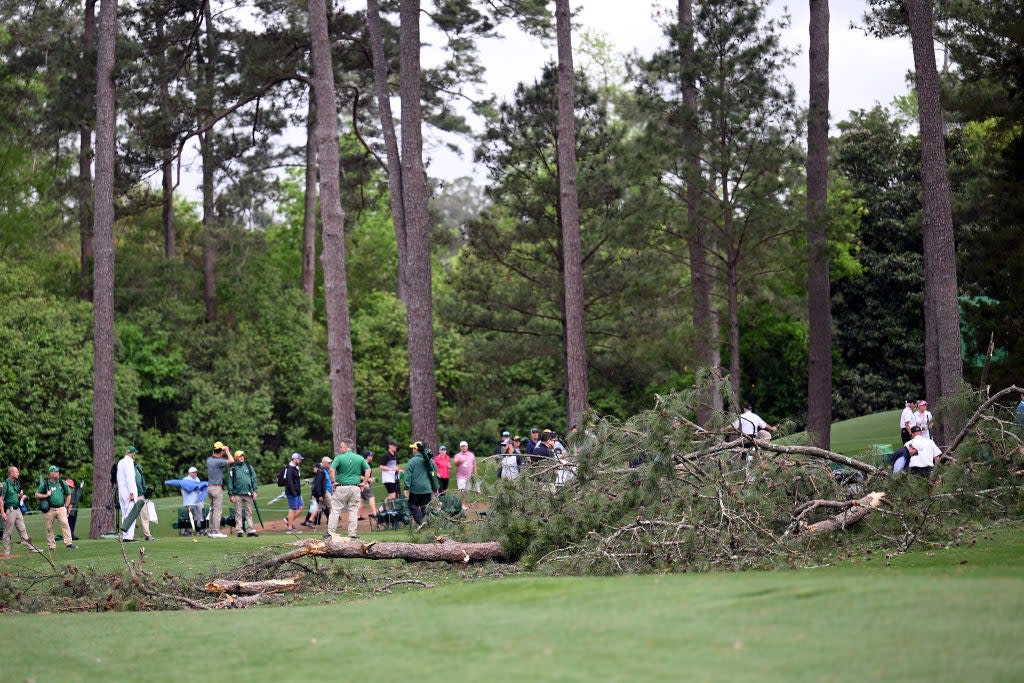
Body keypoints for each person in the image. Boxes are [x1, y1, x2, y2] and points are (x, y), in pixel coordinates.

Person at [328, 439, 370, 539]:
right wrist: (364, 483)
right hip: (355, 487)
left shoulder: (339, 458)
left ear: (346, 446)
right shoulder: (359, 458)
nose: (340, 448)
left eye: (341, 446)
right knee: (353, 511)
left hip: (342, 487)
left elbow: (331, 469)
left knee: (335, 510)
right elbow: (368, 469)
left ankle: (331, 533)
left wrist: (333, 482)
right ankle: (352, 534)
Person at [36, 465, 76, 550]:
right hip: (50, 509)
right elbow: (37, 494)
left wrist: (65, 506)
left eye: (58, 471)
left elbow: (68, 494)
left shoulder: (62, 483)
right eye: (55, 472)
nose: (58, 473)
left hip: (61, 508)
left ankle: (69, 543)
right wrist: (46, 495)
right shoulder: (45, 483)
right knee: (49, 527)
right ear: (51, 473)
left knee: (65, 525)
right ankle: (51, 546)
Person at [1, 466, 34, 557]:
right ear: (11, 473)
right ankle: (6, 552)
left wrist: (21, 496)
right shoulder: (5, 484)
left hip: (17, 509)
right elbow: (1, 499)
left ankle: (31, 548)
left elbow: (17, 497)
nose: (18, 474)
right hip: (10, 510)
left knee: (22, 529)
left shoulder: (16, 483)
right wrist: (3, 512)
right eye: (17, 472)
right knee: (7, 532)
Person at [404, 441, 439, 525]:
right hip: (427, 489)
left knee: (412, 504)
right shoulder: (431, 461)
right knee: (425, 508)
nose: (412, 450)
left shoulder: (411, 461)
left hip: (415, 489)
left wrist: (406, 487)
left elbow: (408, 476)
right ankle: (425, 524)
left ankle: (421, 521)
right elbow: (434, 474)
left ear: (416, 449)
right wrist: (435, 487)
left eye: (413, 448)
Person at [205, 441, 234, 538]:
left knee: (212, 510)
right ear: (220, 451)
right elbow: (232, 460)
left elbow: (215, 455)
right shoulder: (219, 461)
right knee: (217, 510)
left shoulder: (209, 460)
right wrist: (227, 451)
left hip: (209, 488)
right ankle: (216, 531)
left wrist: (221, 450)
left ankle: (211, 531)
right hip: (216, 488)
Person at [228, 450, 259, 537]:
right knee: (238, 513)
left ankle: (250, 531)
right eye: (240, 456)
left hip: (248, 494)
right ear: (236, 458)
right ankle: (239, 531)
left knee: (249, 513)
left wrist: (255, 491)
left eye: (242, 456)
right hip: (237, 494)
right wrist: (231, 494)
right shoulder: (233, 469)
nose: (242, 457)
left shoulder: (249, 467)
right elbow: (230, 482)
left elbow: (254, 479)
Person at [116, 446, 141, 542]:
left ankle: (125, 535)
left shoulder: (121, 462)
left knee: (125, 514)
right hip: (128, 492)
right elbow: (129, 478)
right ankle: (128, 537)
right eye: (134, 453)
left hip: (122, 492)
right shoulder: (129, 462)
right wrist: (131, 492)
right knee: (131, 514)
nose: (135, 455)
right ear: (132, 453)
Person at [133, 454, 155, 541]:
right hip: (133, 496)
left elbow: (141, 484)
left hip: (141, 496)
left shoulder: (138, 469)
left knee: (145, 516)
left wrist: (145, 494)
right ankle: (129, 536)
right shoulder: (129, 470)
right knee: (131, 517)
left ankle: (147, 535)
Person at [306, 457, 332, 527]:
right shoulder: (321, 472)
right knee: (332, 506)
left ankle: (310, 521)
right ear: (324, 463)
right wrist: (320, 495)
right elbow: (318, 485)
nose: (330, 464)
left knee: (318, 508)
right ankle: (332, 523)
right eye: (328, 463)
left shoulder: (324, 471)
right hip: (323, 493)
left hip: (323, 492)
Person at [181, 467, 206, 535]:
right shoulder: (185, 479)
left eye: (196, 472)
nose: (195, 473)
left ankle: (200, 530)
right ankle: (186, 530)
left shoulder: (197, 479)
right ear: (189, 473)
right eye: (193, 472)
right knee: (190, 516)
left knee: (199, 515)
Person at [453, 440, 477, 510]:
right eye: (462, 446)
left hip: (469, 476)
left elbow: (474, 465)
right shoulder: (458, 455)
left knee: (466, 491)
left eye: (464, 446)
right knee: (461, 491)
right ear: (460, 447)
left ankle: (460, 503)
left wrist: (475, 474)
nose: (463, 447)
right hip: (461, 477)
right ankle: (461, 505)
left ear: (467, 446)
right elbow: (455, 462)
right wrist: (459, 461)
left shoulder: (471, 455)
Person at [284, 452, 304, 533]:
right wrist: (293, 492)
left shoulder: (296, 467)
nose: (300, 461)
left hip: (297, 492)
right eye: (299, 459)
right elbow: (289, 482)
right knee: (293, 509)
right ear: (295, 459)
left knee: (301, 507)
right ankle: (290, 528)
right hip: (292, 492)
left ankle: (288, 521)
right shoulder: (290, 468)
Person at [357, 451, 377, 522]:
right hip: (364, 484)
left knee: (361, 500)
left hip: (360, 485)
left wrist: (370, 479)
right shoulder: (364, 464)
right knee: (371, 497)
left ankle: (357, 516)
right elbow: (358, 475)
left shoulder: (363, 463)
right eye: (371, 456)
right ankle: (375, 513)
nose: (372, 457)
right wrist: (368, 479)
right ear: (367, 456)